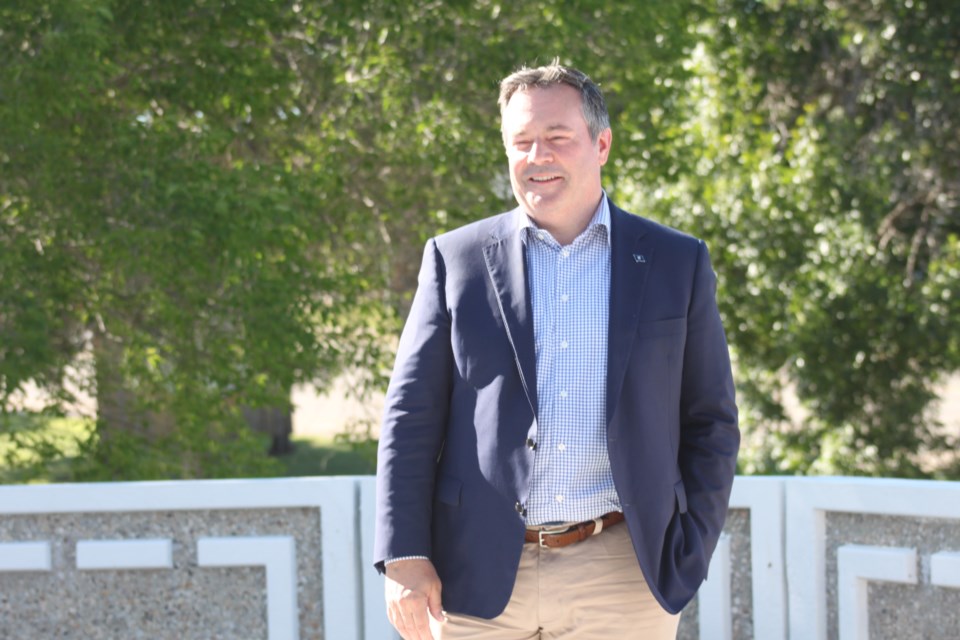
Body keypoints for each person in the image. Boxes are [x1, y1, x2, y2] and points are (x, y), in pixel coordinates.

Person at [373, 61, 739, 640]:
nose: (536, 157)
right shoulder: (456, 260)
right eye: (520, 142)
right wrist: (405, 553)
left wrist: (689, 551)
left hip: (622, 574)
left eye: (557, 139)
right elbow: (409, 418)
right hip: (475, 575)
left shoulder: (676, 262)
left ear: (601, 143)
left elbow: (711, 421)